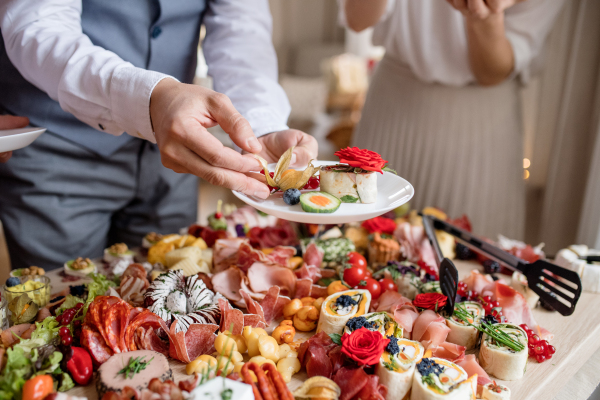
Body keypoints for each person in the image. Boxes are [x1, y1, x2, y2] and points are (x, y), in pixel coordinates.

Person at [0, 0, 317, 269]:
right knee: (61, 309)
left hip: (172, 164)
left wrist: (261, 126)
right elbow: (38, 25)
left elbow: (241, 29)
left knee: (171, 300)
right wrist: (148, 99)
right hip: (56, 149)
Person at [340, 0, 564, 239]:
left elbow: (492, 72)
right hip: (393, 101)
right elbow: (357, 19)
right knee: (360, 239)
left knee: (470, 255)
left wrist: (484, 17)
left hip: (480, 119)